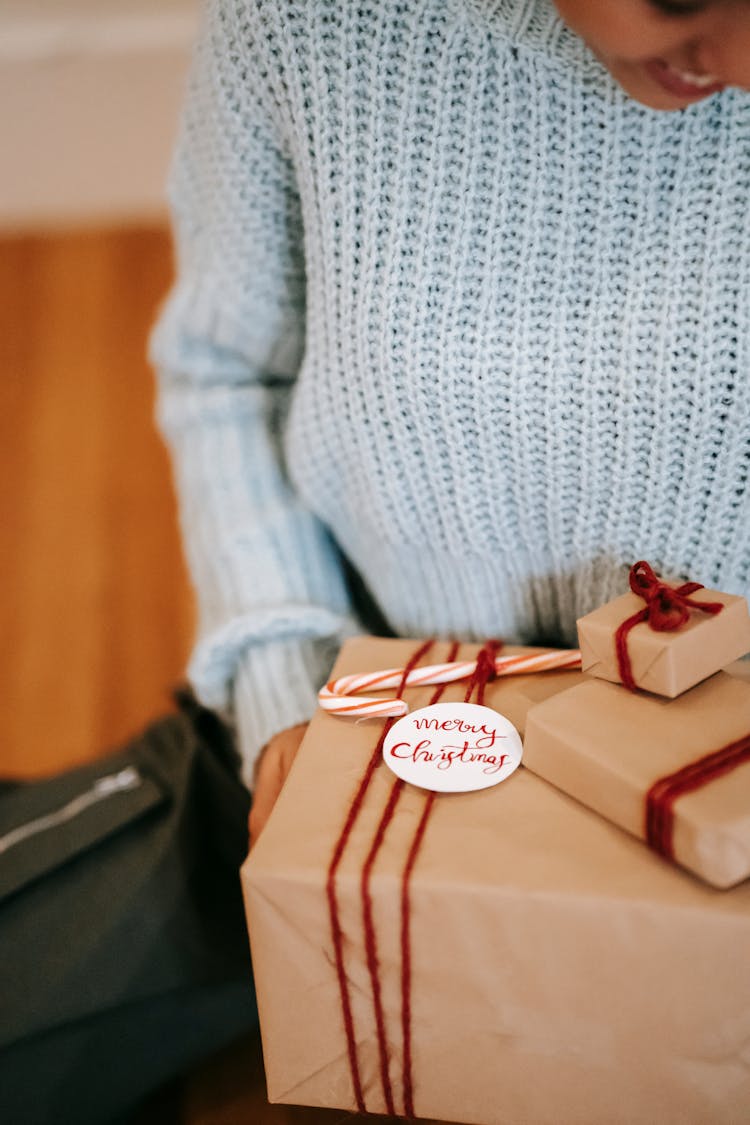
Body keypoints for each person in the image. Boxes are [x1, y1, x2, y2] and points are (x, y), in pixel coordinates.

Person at [150, 0, 750, 844]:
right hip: (386, 742)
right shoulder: (303, 26)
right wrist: (285, 681)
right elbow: (229, 378)